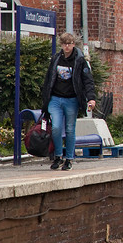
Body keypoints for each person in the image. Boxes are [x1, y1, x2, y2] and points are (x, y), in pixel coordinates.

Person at [41, 32, 96, 171]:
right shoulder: (56, 59)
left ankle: (69, 158)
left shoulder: (79, 60)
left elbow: (87, 80)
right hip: (55, 98)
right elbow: (49, 79)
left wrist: (91, 98)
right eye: (64, 44)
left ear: (73, 44)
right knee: (56, 127)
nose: (67, 46)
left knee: (70, 129)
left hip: (72, 100)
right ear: (61, 45)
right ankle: (58, 156)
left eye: (70, 44)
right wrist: (45, 98)